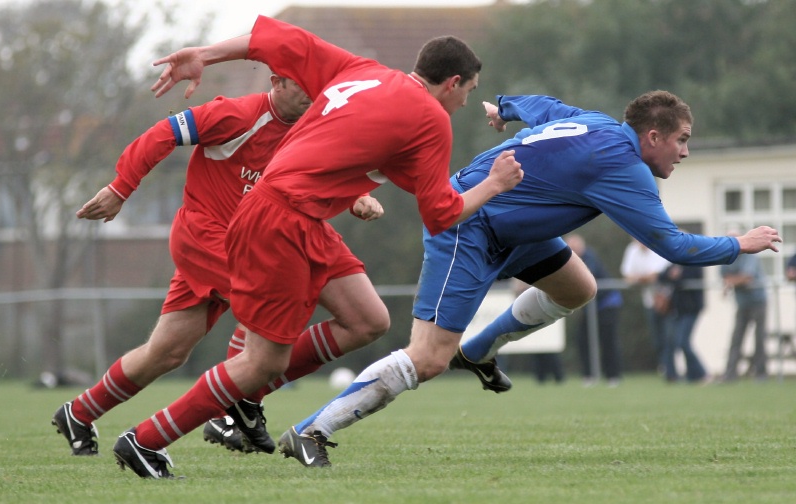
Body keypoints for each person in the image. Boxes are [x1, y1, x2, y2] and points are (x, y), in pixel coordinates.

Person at [111, 16, 523, 479]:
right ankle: (145, 440)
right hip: (280, 218)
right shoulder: (431, 119)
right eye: (469, 91)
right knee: (263, 361)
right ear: (452, 83)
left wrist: (203, 54)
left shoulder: (363, 70)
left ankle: (245, 393)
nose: (467, 101)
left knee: (368, 319)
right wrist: (494, 184)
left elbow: (273, 39)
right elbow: (441, 213)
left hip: (299, 217)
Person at [279, 90, 781, 467]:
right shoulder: (623, 165)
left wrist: (503, 106)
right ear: (653, 137)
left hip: (512, 228)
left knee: (577, 287)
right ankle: (309, 431)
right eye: (682, 141)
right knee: (427, 357)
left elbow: (543, 106)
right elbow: (673, 246)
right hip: (468, 224)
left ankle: (476, 352)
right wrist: (741, 243)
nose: (685, 152)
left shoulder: (593, 123)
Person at [51, 72, 384, 457]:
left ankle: (79, 412)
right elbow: (162, 133)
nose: (314, 94)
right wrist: (120, 187)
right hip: (209, 238)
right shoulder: (237, 115)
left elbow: (318, 173)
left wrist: (356, 196)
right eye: (303, 85)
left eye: (318, 86)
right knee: (272, 298)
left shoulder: (314, 126)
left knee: (167, 352)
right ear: (277, 82)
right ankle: (231, 410)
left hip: (260, 241)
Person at [566, 234, 623, 387]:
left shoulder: (589, 257)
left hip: (607, 304)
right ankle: (588, 375)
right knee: (583, 340)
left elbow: (584, 279)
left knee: (608, 341)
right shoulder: (570, 260)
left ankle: (613, 376)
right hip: (589, 307)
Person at [720, 233, 769, 382]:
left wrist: (732, 281)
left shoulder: (749, 254)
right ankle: (730, 374)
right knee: (736, 338)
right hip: (742, 302)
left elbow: (747, 277)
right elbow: (724, 277)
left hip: (758, 300)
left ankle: (761, 374)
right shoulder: (726, 257)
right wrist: (734, 280)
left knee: (759, 338)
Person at [620, 238, 671, 370]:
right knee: (657, 338)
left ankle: (670, 368)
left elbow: (656, 275)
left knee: (669, 337)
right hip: (649, 300)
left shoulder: (658, 247)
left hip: (667, 300)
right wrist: (644, 278)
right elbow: (627, 277)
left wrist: (639, 278)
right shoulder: (632, 250)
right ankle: (665, 367)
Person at [657, 263, 709, 383]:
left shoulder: (695, 262)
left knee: (682, 342)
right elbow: (662, 276)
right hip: (676, 310)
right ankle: (672, 375)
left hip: (691, 309)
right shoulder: (675, 261)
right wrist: (672, 275)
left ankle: (700, 373)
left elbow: (687, 279)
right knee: (669, 342)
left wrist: (678, 276)